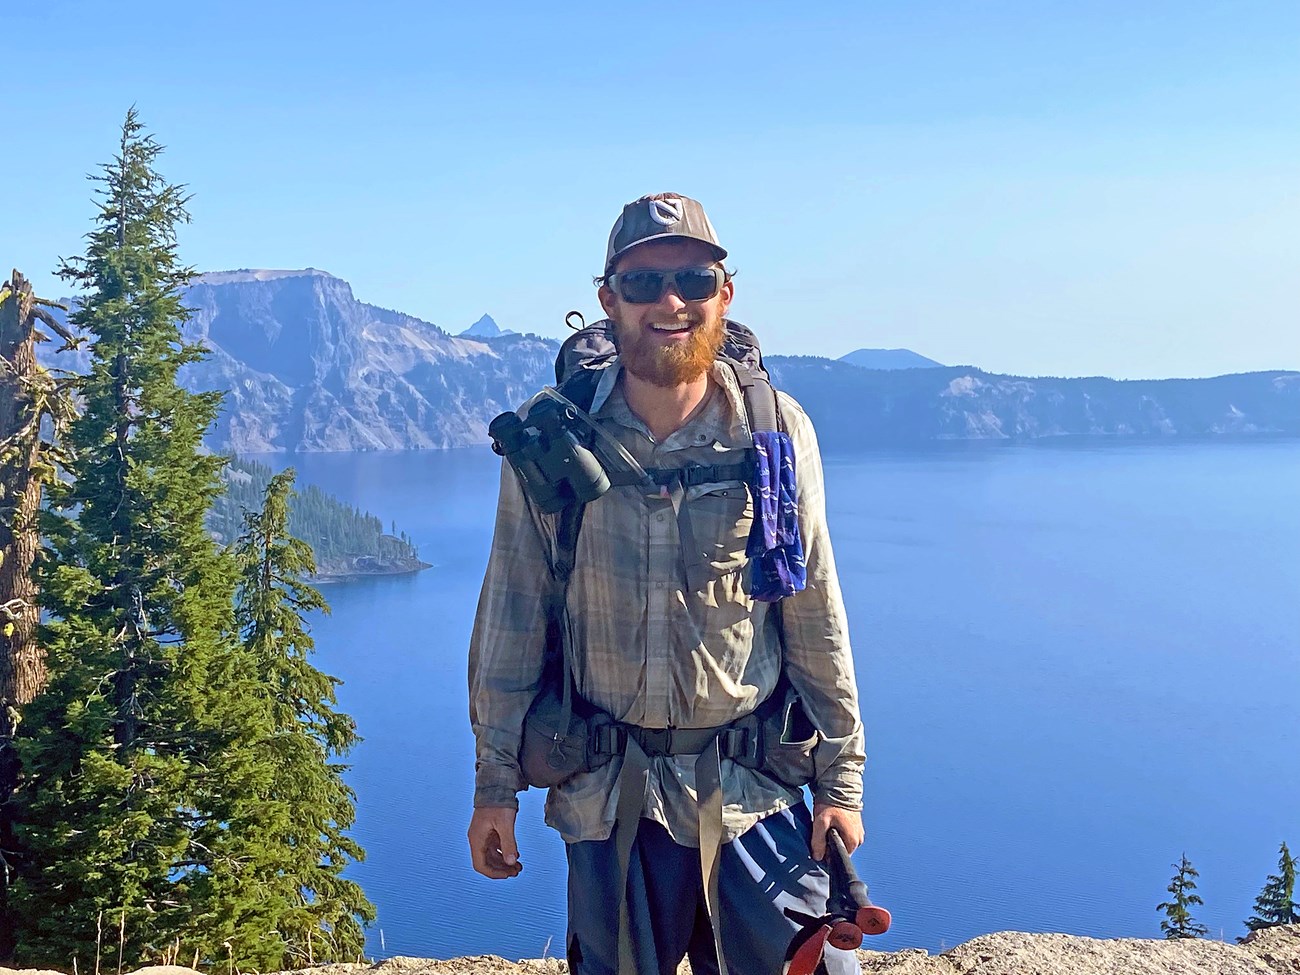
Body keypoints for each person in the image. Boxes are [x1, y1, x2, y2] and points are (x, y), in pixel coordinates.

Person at [467, 193, 866, 975]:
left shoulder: (774, 433)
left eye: (691, 278)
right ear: (608, 299)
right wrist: (495, 787)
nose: (671, 302)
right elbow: (514, 613)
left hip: (754, 795)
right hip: (612, 796)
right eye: (644, 284)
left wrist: (841, 781)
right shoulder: (555, 437)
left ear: (725, 293)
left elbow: (813, 608)